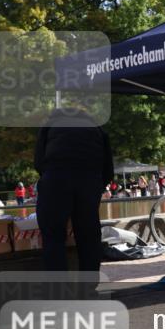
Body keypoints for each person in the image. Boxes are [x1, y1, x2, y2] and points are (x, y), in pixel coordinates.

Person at [33, 106, 113, 272]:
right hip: (89, 182)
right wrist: (96, 186)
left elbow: (39, 161)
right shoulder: (97, 128)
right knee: (89, 236)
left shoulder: (50, 126)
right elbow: (108, 168)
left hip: (56, 181)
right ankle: (88, 288)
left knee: (53, 236)